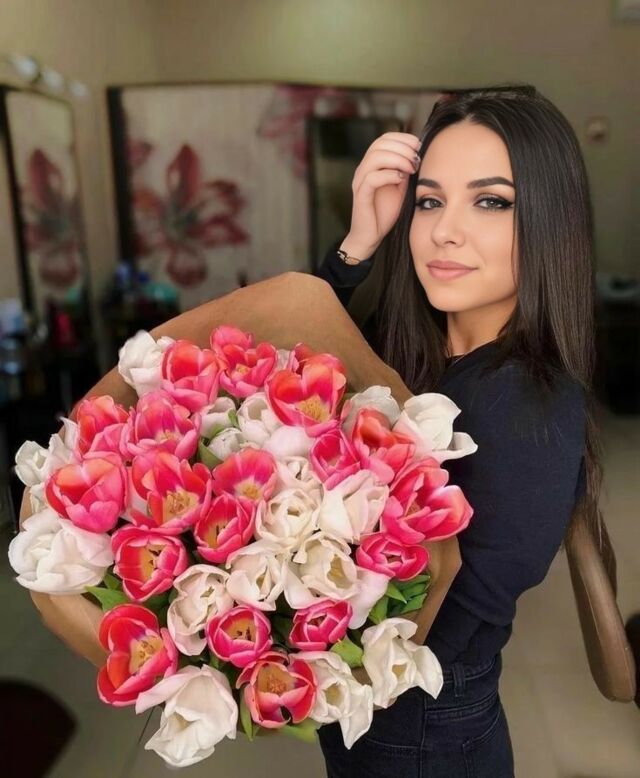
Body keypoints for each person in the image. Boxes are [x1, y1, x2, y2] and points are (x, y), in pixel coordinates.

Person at [314, 84, 603, 777]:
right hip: (364, 714)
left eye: (491, 202)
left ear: (550, 222)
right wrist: (358, 245)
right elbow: (275, 374)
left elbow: (439, 628)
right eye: (429, 201)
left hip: (421, 733)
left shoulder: (530, 409)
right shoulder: (412, 350)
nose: (445, 230)